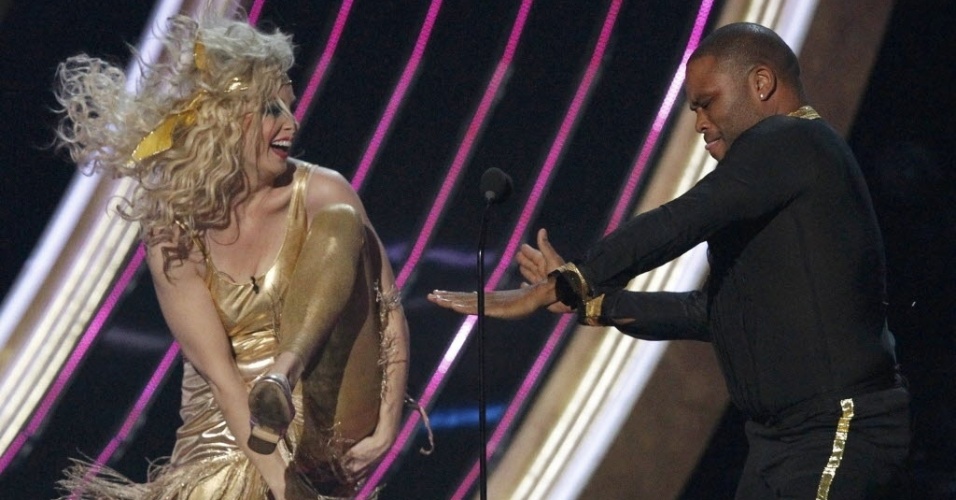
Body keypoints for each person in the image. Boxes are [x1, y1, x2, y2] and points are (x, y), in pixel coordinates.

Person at [429, 22, 910, 498]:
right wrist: (593, 304)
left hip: (836, 429)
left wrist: (568, 283)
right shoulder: (775, 177)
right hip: (779, 442)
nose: (700, 122)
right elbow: (713, 312)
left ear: (761, 84)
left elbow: (680, 220)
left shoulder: (793, 140)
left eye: (708, 103)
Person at [53, 12, 410, 500]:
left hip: (321, 421)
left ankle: (283, 375)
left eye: (290, 108)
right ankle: (274, 393)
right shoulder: (174, 234)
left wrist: (388, 423)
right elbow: (222, 383)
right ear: (223, 122)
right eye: (271, 111)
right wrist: (288, 491)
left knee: (343, 222)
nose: (291, 123)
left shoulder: (322, 192)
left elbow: (386, 308)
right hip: (228, 436)